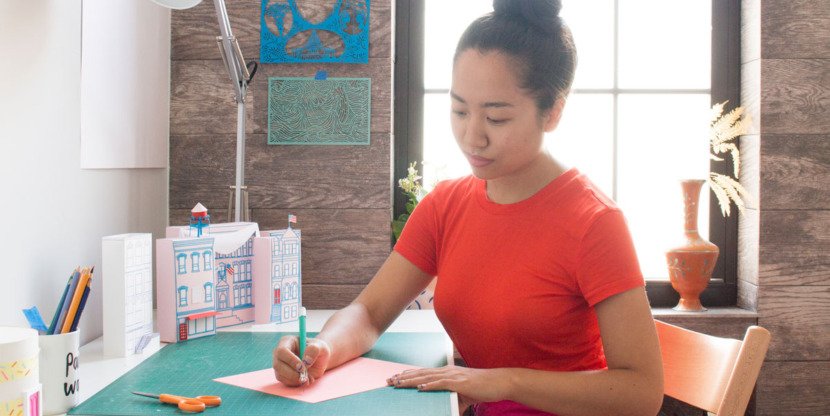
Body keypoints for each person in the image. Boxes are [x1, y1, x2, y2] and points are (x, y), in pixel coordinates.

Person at [273, 1, 664, 414]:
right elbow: (369, 313)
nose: (471, 136)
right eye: (459, 110)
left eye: (496, 118)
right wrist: (323, 349)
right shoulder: (445, 206)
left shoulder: (594, 222)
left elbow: (641, 392)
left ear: (553, 112)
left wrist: (504, 381)